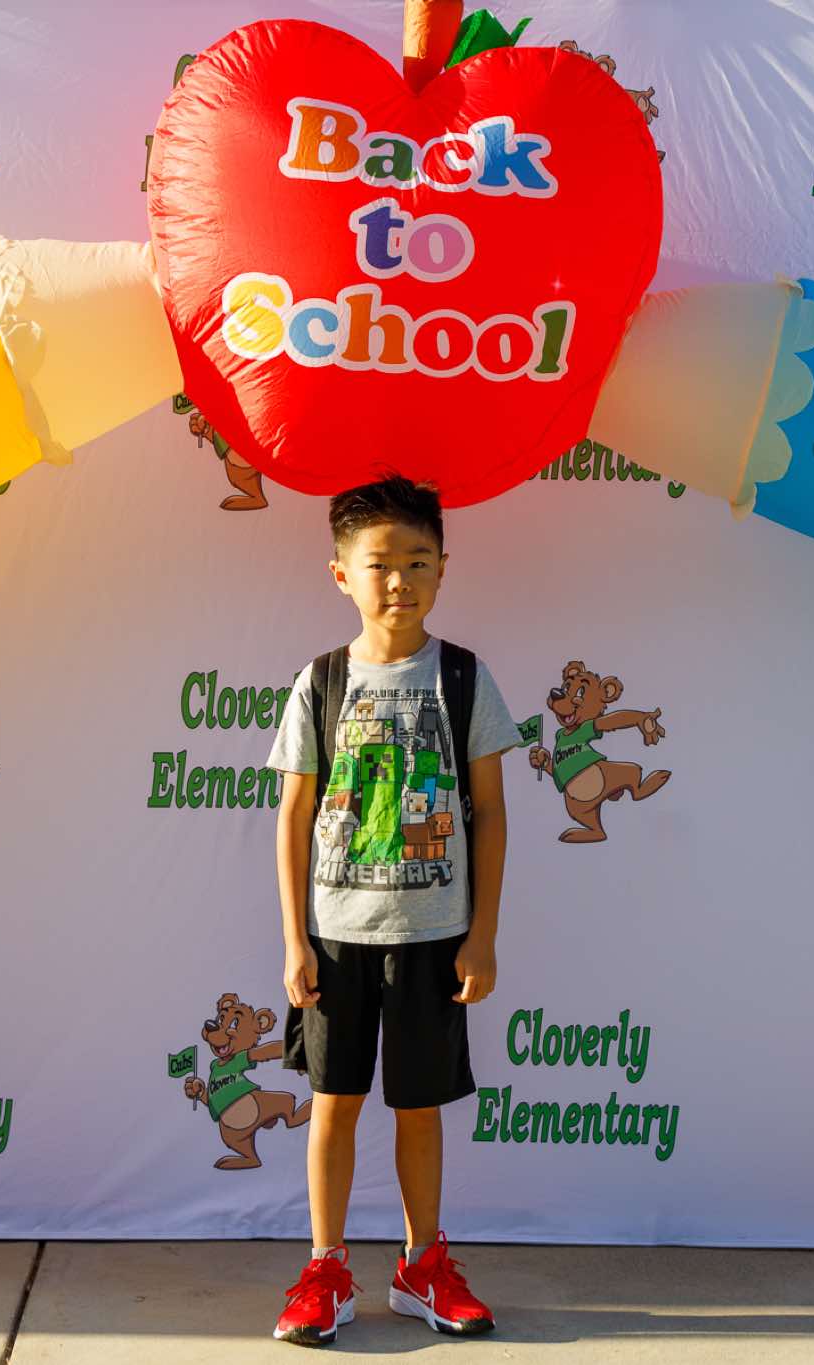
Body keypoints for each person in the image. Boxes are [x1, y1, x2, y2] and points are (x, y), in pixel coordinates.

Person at [265, 475, 521, 1345]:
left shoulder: (463, 676)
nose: (399, 580)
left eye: (418, 560)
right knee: (333, 1102)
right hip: (336, 938)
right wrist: (294, 939)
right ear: (342, 574)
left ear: (443, 567)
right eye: (379, 563)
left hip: (434, 936)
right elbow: (294, 815)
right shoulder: (321, 680)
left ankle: (422, 1265)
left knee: (420, 1104)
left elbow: (491, 811)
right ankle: (324, 1267)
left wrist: (482, 934)